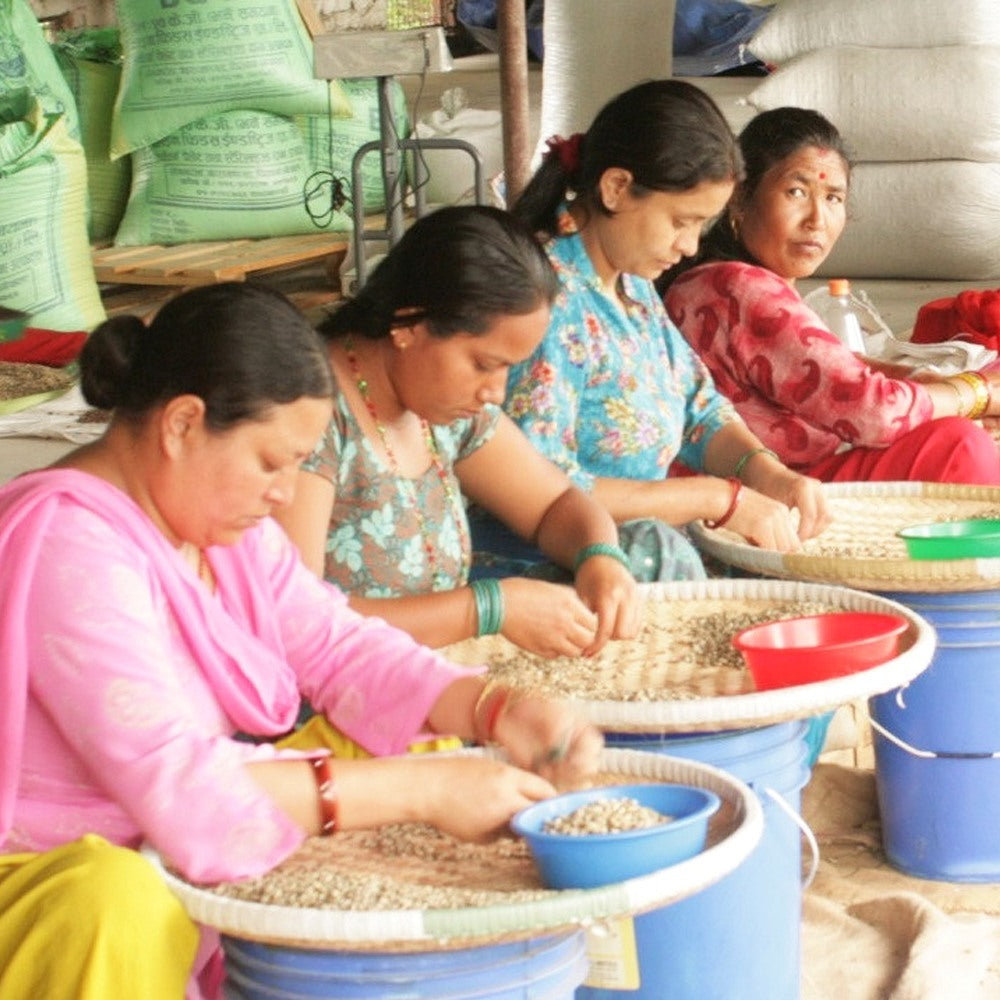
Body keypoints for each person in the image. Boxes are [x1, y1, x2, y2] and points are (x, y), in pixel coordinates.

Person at [0, 283, 604, 1000]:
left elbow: (337, 644)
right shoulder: (72, 545)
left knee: (421, 744)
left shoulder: (215, 526)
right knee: (117, 901)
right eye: (271, 462)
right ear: (183, 424)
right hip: (51, 866)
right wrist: (423, 791)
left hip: (168, 821)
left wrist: (494, 708)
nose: (286, 493)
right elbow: (180, 783)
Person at [482, 79, 830, 584]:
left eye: (700, 227)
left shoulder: (629, 283)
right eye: (681, 222)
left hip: (636, 546)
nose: (690, 246)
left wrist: (767, 473)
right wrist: (715, 498)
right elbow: (543, 484)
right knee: (665, 552)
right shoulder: (545, 300)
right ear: (617, 188)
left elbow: (698, 410)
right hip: (545, 565)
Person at [275, 206, 641, 660]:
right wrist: (487, 609)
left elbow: (554, 505)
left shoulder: (447, 411)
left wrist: (599, 556)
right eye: (485, 364)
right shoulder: (310, 415)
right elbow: (297, 618)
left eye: (509, 368)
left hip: (432, 680)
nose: (496, 391)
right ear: (409, 325)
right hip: (336, 700)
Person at [660, 106, 1000, 485]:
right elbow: (873, 411)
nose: (817, 219)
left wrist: (928, 382)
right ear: (739, 199)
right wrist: (977, 392)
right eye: (797, 192)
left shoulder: (713, 279)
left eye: (834, 198)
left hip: (773, 482)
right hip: (764, 494)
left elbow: (831, 372)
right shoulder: (739, 286)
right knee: (960, 447)